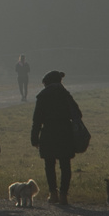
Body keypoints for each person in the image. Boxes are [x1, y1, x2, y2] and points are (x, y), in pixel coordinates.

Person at [30, 70, 82, 205]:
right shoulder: (65, 95)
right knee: (65, 165)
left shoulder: (42, 96)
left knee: (49, 165)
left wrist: (34, 138)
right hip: (65, 132)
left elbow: (37, 120)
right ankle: (64, 195)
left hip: (48, 133)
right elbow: (77, 114)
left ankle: (53, 194)